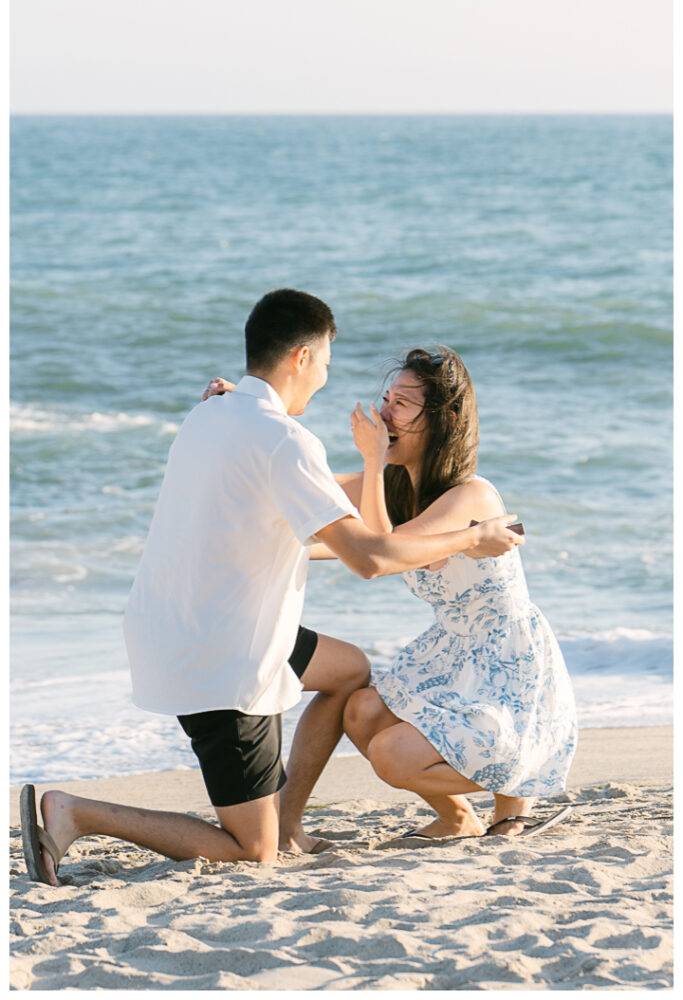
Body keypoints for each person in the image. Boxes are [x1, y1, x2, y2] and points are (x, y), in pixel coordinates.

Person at [21, 292, 522, 885]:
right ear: (303, 357)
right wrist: (473, 536)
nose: (330, 378)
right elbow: (367, 557)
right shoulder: (284, 440)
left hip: (182, 624)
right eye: (328, 362)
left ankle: (289, 820)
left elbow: (318, 499)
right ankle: (76, 812)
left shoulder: (211, 415)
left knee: (346, 670)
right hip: (223, 656)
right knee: (251, 852)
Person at [340, 347, 578, 841]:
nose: (385, 413)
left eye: (401, 404)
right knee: (361, 712)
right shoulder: (399, 486)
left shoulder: (472, 496)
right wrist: (255, 414)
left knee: (391, 754)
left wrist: (370, 456)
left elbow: (384, 553)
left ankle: (514, 800)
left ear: (445, 418)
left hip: (503, 663)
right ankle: (457, 817)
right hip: (448, 651)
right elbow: (309, 483)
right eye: (386, 398)